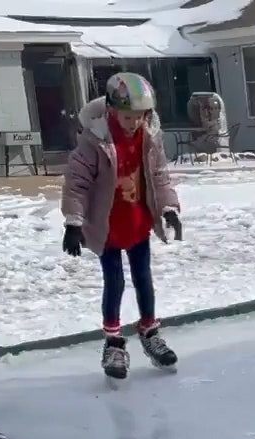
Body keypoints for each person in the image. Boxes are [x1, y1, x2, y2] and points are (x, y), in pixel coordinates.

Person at [61, 72, 184, 381]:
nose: (134, 123)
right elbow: (76, 185)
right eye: (128, 117)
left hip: (138, 223)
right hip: (107, 228)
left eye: (140, 117)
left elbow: (159, 177)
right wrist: (74, 222)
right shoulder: (95, 141)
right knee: (114, 282)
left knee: (144, 280)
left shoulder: (149, 138)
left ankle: (149, 331)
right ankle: (114, 342)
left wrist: (169, 209)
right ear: (112, 110)